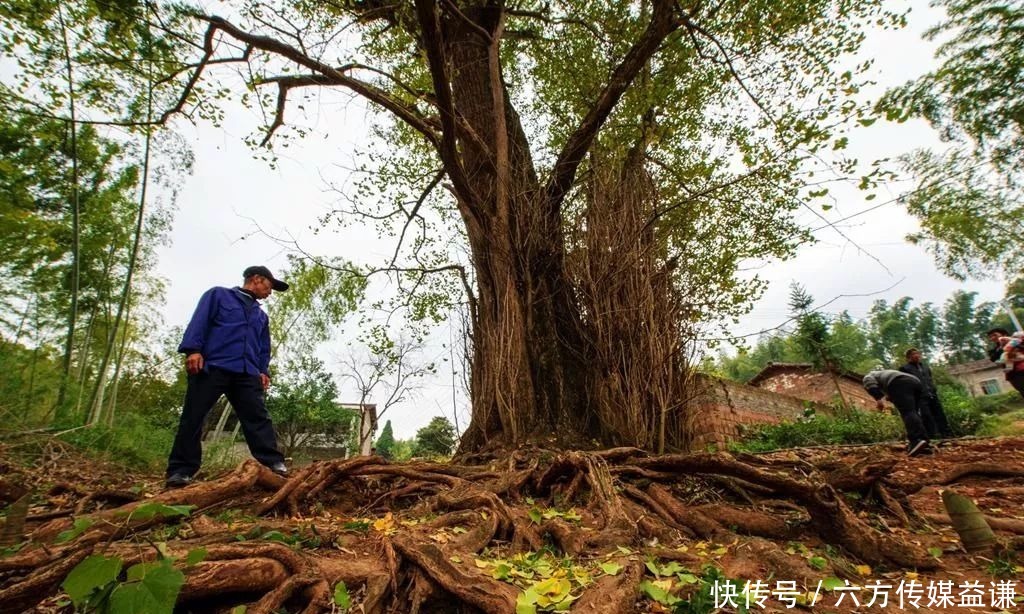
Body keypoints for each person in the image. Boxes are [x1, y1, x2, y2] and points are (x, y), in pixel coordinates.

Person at [165, 266, 290, 487]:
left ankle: (272, 463)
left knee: (258, 418)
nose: (270, 292)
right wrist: (193, 350)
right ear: (256, 279)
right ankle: (181, 470)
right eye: (269, 287)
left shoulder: (261, 316)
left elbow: (263, 347)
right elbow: (200, 322)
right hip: (213, 365)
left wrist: (263, 370)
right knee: (193, 416)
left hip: (247, 372)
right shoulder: (218, 295)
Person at [862, 369, 931, 456]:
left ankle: (916, 440)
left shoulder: (869, 375)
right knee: (914, 413)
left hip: (899, 382)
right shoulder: (885, 376)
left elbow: (870, 384)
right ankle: (925, 443)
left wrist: (878, 400)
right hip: (915, 382)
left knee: (907, 412)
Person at [899, 348, 953, 439]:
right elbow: (905, 384)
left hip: (932, 394)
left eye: (917, 353)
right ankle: (932, 436)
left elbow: (929, 378)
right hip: (919, 397)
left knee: (940, 414)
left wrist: (933, 389)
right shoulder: (905, 369)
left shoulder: (925, 367)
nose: (916, 355)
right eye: (913, 354)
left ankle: (946, 434)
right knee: (926, 416)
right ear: (908, 357)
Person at [987, 328, 1024, 398]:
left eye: (995, 335)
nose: (992, 338)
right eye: (990, 337)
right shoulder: (994, 351)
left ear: (1004, 334)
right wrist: (1002, 347)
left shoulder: (1017, 341)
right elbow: (994, 359)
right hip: (1014, 374)